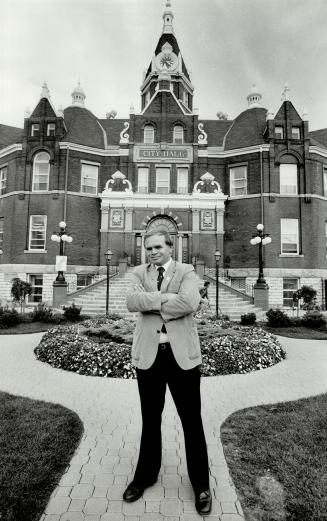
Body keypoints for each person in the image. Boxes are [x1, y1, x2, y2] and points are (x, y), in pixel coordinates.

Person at [123, 229, 211, 516]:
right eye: (148, 248)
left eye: (158, 247)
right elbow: (131, 302)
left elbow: (190, 303)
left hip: (181, 358)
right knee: (150, 420)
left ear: (170, 247)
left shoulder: (187, 271)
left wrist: (152, 301)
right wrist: (166, 298)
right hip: (149, 357)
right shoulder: (137, 273)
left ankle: (201, 485)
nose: (152, 252)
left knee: (192, 422)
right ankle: (144, 477)